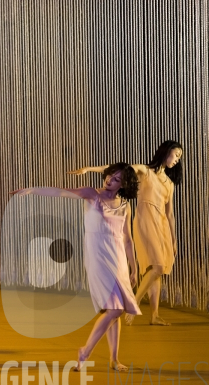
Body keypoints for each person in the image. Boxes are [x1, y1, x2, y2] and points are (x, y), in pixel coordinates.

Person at [12, 163, 141, 371]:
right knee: (114, 309)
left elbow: (128, 240)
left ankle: (114, 360)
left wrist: (134, 268)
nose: (110, 180)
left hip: (119, 260)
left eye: (116, 179)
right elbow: (61, 192)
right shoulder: (92, 195)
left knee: (114, 310)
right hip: (98, 257)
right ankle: (85, 351)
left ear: (124, 184)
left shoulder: (125, 206)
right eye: (110, 175)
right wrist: (32, 190)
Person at [69, 141, 183, 325]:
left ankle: (154, 315)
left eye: (179, 157)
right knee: (158, 267)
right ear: (166, 152)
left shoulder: (169, 183)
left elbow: (170, 214)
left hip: (162, 225)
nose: (177, 159)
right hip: (146, 221)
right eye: (176, 154)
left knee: (157, 270)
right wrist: (89, 169)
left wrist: (174, 239)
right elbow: (118, 169)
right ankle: (133, 303)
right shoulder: (145, 171)